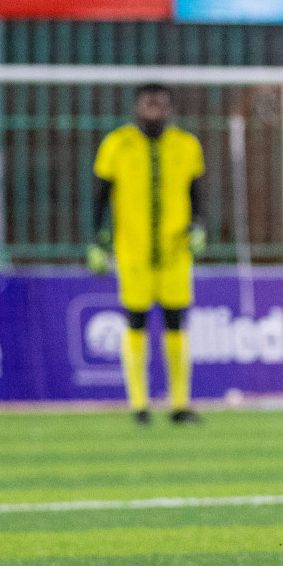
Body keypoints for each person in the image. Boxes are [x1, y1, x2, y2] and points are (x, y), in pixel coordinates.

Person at [87, 83, 206, 426]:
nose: (154, 110)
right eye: (148, 104)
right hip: (133, 250)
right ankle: (139, 405)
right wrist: (97, 240)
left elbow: (196, 192)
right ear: (137, 107)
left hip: (175, 250)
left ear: (171, 109)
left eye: (161, 104)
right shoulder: (117, 144)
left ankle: (179, 404)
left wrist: (199, 226)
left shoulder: (186, 145)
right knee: (135, 322)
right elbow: (100, 195)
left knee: (175, 322)